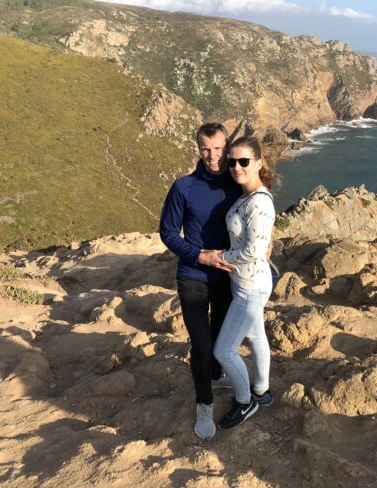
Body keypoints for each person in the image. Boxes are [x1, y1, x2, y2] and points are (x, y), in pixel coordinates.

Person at [159, 122, 242, 440]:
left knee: (221, 340)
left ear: (227, 147)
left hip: (227, 276)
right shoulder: (183, 187)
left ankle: (216, 377)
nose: (213, 155)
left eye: (219, 148)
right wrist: (199, 255)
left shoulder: (237, 183)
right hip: (193, 275)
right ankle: (204, 403)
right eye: (206, 149)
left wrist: (268, 240)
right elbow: (168, 233)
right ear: (198, 149)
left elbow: (258, 211)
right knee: (202, 346)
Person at [212, 136, 276, 429]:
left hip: (250, 286)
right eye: (232, 162)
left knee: (223, 351)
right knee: (256, 335)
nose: (236, 167)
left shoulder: (258, 202)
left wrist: (218, 256)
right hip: (246, 281)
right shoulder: (247, 196)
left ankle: (244, 402)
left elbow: (253, 251)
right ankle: (261, 390)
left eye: (244, 161)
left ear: (258, 163)